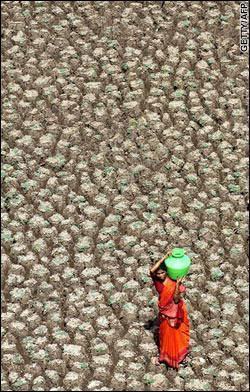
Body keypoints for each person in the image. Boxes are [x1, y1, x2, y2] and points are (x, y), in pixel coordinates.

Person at [149, 250, 190, 369]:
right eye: (158, 274)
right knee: (165, 336)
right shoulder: (159, 283)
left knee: (178, 335)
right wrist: (164, 257)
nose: (160, 275)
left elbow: (176, 300)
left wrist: (177, 285)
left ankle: (179, 357)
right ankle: (166, 357)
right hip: (166, 315)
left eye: (162, 273)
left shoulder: (173, 283)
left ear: (167, 272)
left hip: (175, 313)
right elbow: (152, 271)